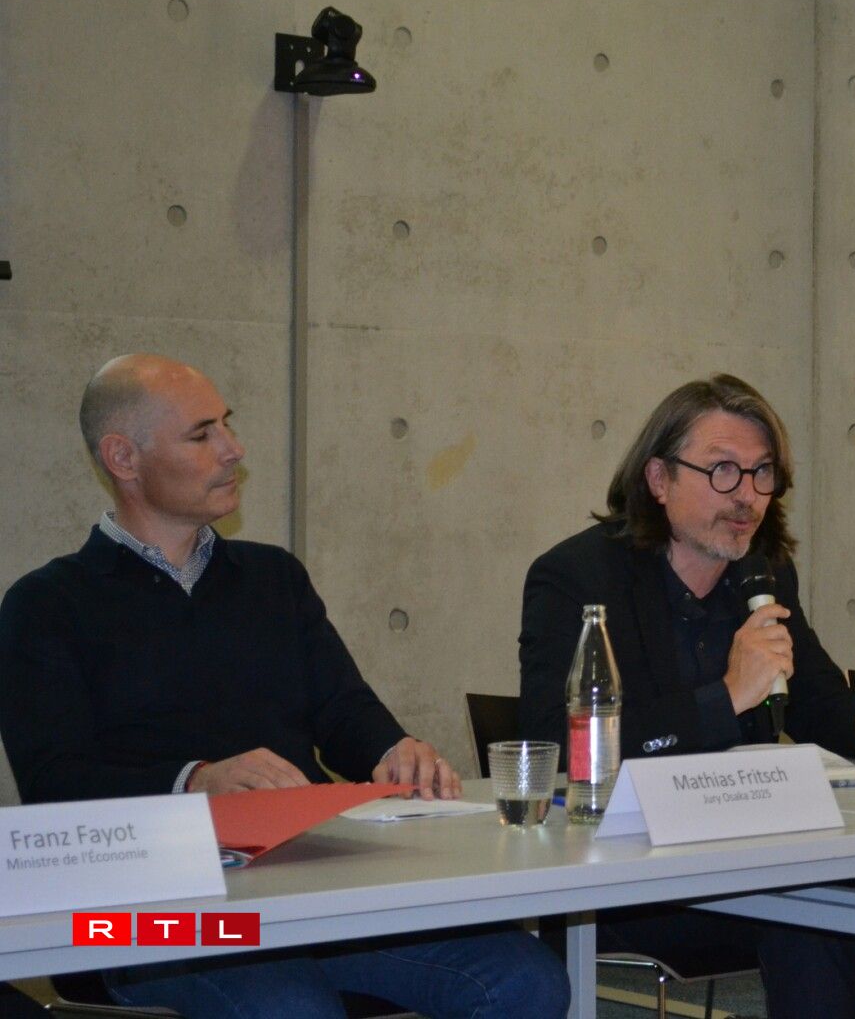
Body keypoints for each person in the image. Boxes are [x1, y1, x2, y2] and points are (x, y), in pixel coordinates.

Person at [0, 354, 569, 1019]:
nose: (233, 449)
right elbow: (54, 783)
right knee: (290, 1006)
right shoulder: (45, 606)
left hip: (309, 895)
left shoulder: (272, 578)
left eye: (227, 426)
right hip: (146, 918)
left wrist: (392, 748)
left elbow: (340, 708)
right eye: (201, 434)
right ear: (123, 458)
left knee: (526, 978)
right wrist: (194, 780)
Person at [519, 373, 855, 1019]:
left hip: (752, 858)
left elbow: (811, 698)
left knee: (838, 890)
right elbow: (558, 746)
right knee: (824, 895)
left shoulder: (763, 572)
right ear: (659, 480)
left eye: (761, 473)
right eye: (723, 471)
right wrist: (724, 696)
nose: (747, 495)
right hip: (625, 875)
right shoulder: (577, 579)